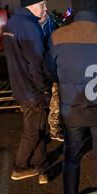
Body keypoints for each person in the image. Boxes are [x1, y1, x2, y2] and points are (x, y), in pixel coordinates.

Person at [47, 0, 97, 194]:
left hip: (72, 109)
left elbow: (50, 70)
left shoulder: (57, 37)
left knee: (71, 155)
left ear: (74, 6)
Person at [3, 0, 51, 184]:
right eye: (43, 5)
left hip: (19, 87)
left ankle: (41, 167)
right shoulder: (31, 27)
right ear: (32, 5)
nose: (45, 10)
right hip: (33, 90)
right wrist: (43, 87)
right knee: (33, 130)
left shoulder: (11, 24)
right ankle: (19, 167)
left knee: (38, 127)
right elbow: (37, 63)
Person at [39, 13, 64, 142]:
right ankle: (47, 130)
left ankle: (54, 129)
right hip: (40, 69)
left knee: (55, 100)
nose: (45, 12)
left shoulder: (51, 25)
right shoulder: (32, 27)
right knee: (45, 102)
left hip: (52, 67)